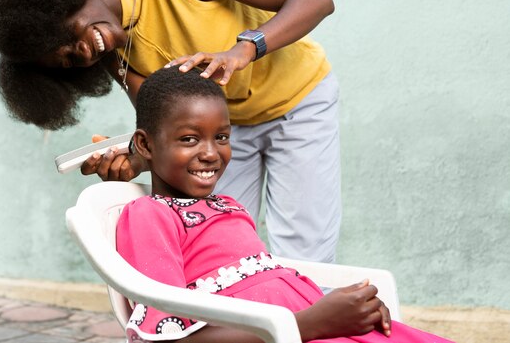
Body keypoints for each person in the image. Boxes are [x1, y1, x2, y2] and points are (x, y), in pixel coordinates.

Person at [0, 0, 340, 263]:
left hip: (298, 102)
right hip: (225, 131)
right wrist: (136, 160)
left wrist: (242, 50)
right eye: (69, 61)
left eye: (67, 36)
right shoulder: (112, 56)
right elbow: (168, 125)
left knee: (303, 254)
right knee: (220, 248)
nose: (82, 52)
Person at [117, 66, 453, 343]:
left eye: (221, 137)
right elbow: (167, 337)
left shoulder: (228, 205)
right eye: (189, 139)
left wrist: (352, 310)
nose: (210, 152)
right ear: (145, 144)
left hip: (316, 324)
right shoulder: (150, 213)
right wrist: (308, 323)